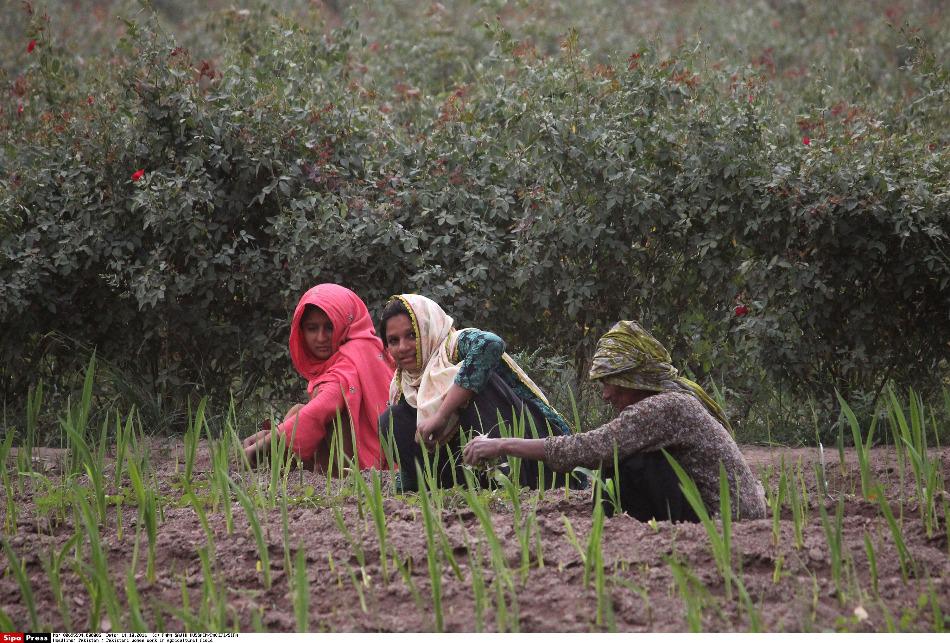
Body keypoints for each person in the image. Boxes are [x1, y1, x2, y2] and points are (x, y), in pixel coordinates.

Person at [463, 320, 767, 522]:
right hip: (732, 510)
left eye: (611, 382)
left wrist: (500, 444)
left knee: (620, 461)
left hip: (725, 518)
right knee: (621, 454)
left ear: (634, 379)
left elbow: (588, 449)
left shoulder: (665, 406)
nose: (606, 394)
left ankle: (607, 526)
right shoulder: (675, 399)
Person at [378, 294, 576, 491]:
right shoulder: (401, 386)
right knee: (392, 418)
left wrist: (441, 414)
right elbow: (408, 450)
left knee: (480, 381)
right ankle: (439, 490)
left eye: (412, 335)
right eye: (393, 341)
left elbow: (492, 343)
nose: (403, 347)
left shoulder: (454, 345)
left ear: (427, 330)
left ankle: (505, 482)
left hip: (524, 458)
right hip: (462, 471)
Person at [243, 284, 395, 470]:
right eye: (312, 328)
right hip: (361, 453)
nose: (321, 338)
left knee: (322, 414)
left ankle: (313, 474)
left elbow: (326, 404)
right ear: (301, 331)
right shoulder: (366, 347)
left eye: (329, 327)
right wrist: (272, 434)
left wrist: (269, 441)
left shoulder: (351, 357)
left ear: (344, 324)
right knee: (298, 410)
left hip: (366, 466)